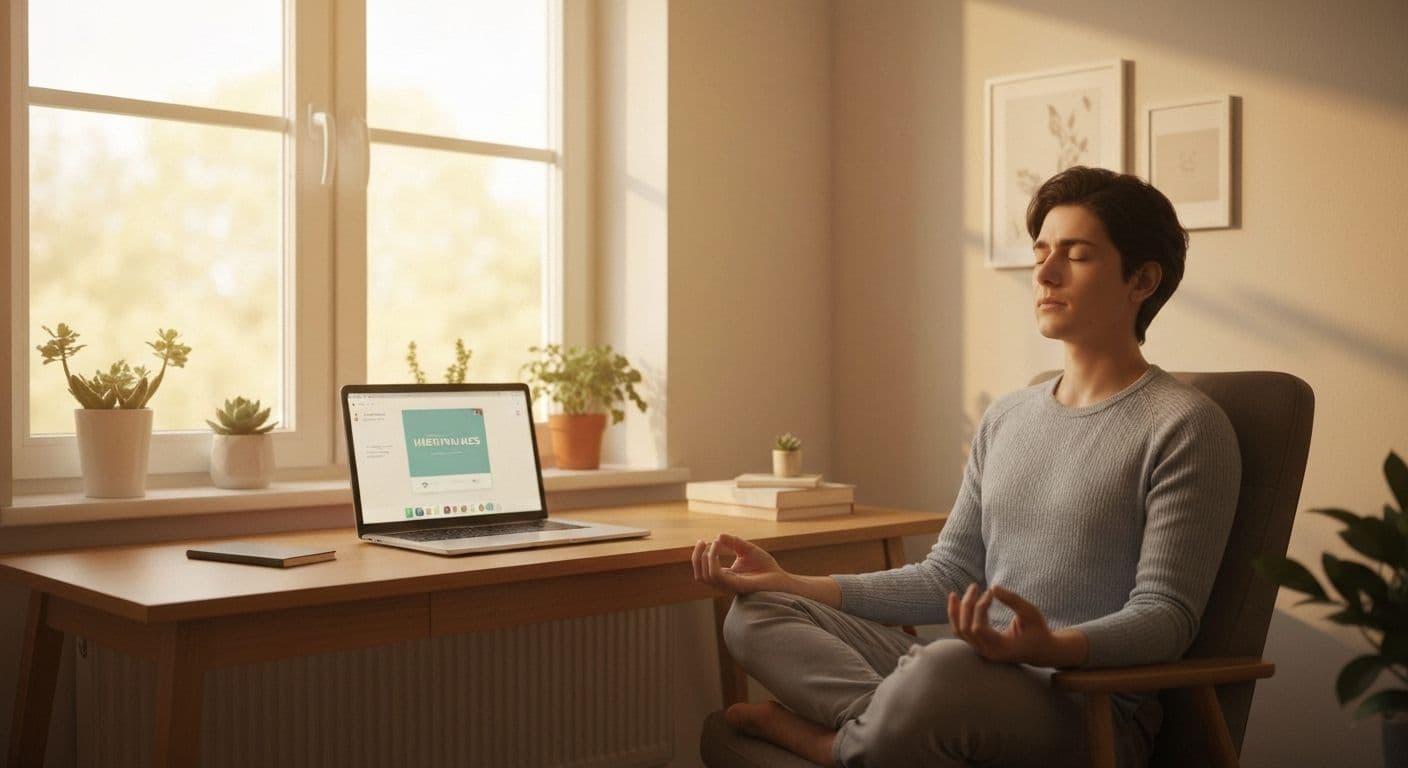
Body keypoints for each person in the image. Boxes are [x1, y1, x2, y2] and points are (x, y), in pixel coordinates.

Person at [692, 166, 1241, 767]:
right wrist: (792, 584)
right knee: (756, 616)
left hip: (1085, 705)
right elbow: (948, 575)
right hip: (971, 682)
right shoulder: (1008, 417)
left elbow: (1167, 617)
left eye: (1077, 255)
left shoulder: (1185, 426)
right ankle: (892, 727)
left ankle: (831, 744)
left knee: (943, 665)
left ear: (1142, 280)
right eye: (1041, 252)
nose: (1046, 272)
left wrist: (1051, 645)